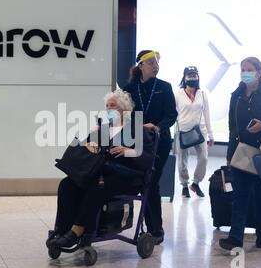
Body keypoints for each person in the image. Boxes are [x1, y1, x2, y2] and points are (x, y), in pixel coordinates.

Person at [48, 89, 155, 249]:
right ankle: (62, 230)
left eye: (113, 106)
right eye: (107, 106)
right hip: (101, 173)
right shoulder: (103, 129)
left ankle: (78, 231)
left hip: (128, 177)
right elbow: (89, 152)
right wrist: (91, 139)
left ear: (124, 109)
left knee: (96, 187)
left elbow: (148, 159)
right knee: (67, 184)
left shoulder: (136, 129)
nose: (109, 109)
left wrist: (127, 151)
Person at [219, 57, 261, 250]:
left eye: (249, 69)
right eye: (242, 69)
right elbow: (232, 127)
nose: (245, 73)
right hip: (242, 152)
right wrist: (230, 152)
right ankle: (235, 238)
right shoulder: (237, 95)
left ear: (259, 72)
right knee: (239, 196)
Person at [123, 50, 178, 244]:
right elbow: (124, 115)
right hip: (136, 141)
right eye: (151, 63)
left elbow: (171, 115)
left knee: (151, 181)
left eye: (157, 63)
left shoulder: (164, 87)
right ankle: (141, 226)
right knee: (141, 182)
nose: (155, 66)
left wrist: (157, 126)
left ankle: (156, 230)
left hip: (159, 142)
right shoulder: (129, 88)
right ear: (141, 66)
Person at [174, 66, 214, 198]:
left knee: (204, 158)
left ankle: (195, 183)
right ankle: (184, 185)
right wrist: (175, 134)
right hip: (183, 131)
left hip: (200, 131)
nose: (192, 77)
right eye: (189, 75)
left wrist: (211, 135)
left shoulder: (202, 94)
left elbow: (207, 114)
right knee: (182, 161)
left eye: (194, 75)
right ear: (184, 78)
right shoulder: (178, 94)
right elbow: (174, 114)